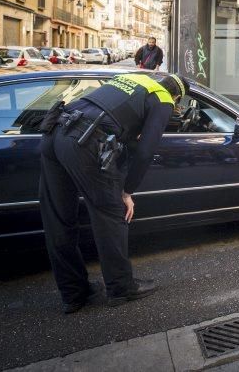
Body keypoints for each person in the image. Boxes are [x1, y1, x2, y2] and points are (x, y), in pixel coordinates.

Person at [38, 72, 189, 313]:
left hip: (54, 132)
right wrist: (127, 191)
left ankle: (73, 293)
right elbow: (146, 151)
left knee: (58, 219)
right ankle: (120, 287)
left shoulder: (130, 79)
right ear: (177, 97)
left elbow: (113, 117)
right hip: (82, 142)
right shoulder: (163, 98)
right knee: (110, 214)